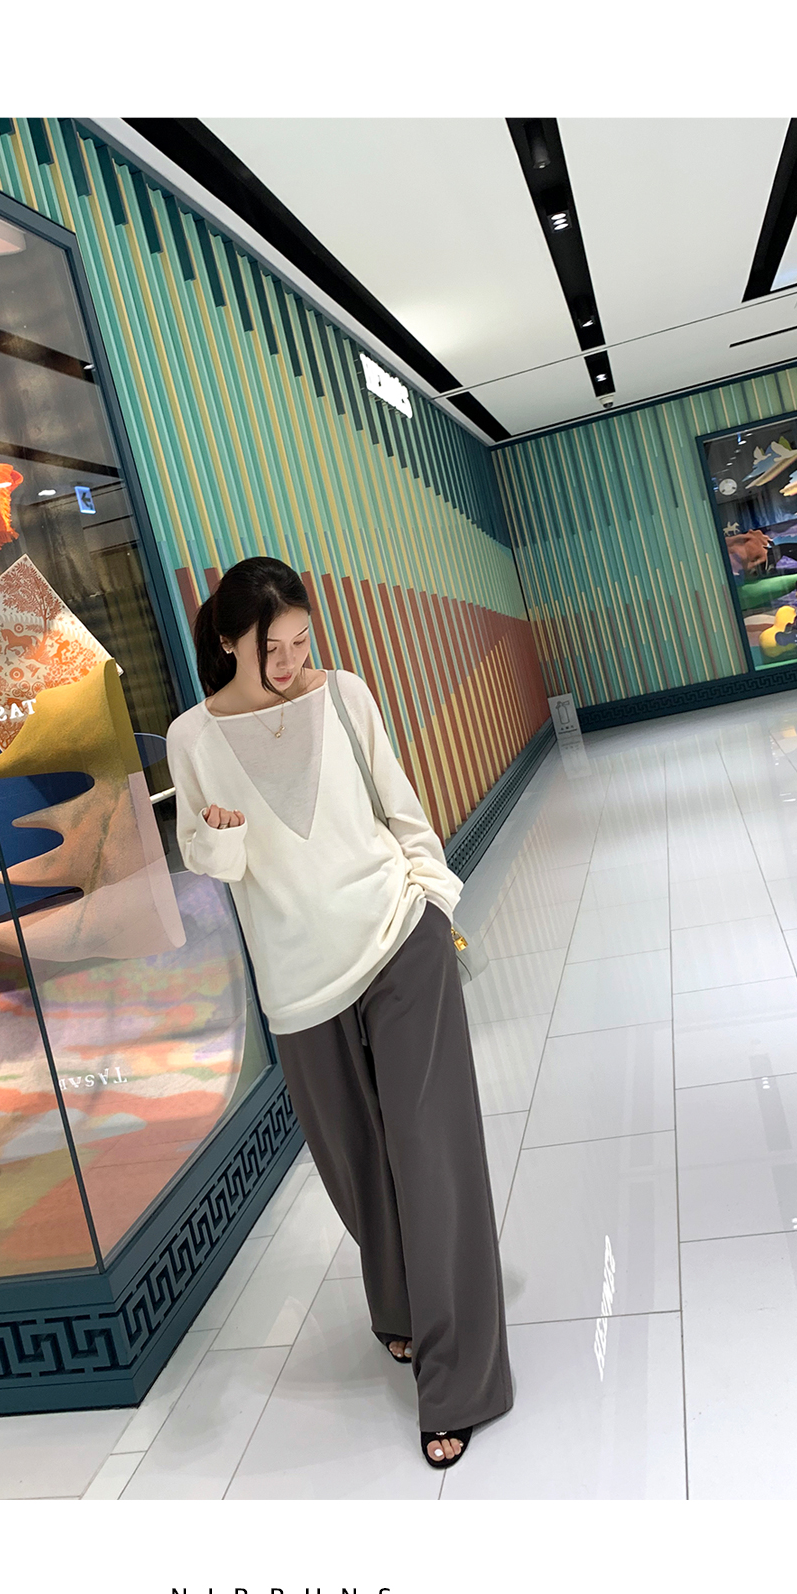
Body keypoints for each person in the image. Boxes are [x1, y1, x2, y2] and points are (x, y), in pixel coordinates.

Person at [163, 559, 514, 1473]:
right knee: (356, 1167)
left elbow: (404, 812)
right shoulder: (192, 737)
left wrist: (434, 901)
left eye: (300, 642)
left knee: (432, 1158)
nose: (291, 663)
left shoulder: (347, 697)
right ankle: (399, 1303)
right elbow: (208, 860)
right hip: (297, 980)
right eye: (271, 649)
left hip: (398, 940)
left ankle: (460, 1383)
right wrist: (223, 834)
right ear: (228, 643)